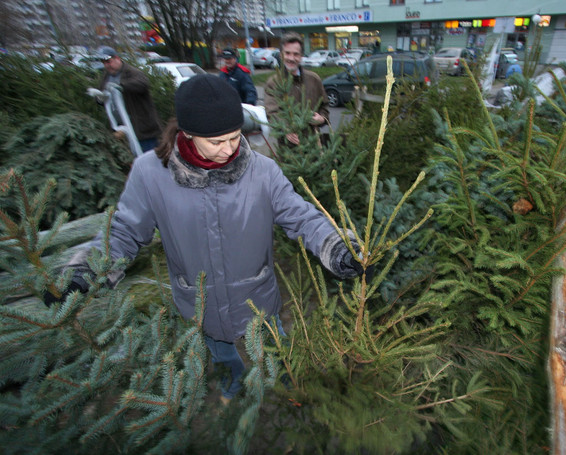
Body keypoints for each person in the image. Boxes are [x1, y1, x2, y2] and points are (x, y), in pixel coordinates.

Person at [45, 74, 365, 404]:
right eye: (216, 142)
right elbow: (125, 229)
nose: (229, 149)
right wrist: (84, 270)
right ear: (187, 133)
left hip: (257, 298)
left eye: (235, 137)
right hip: (199, 304)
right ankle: (232, 388)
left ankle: (287, 383)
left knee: (277, 350)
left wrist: (337, 247)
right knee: (222, 355)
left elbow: (301, 216)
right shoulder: (150, 173)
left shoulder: (262, 171)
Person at [264, 32, 329, 146]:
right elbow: (272, 113)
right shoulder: (273, 83)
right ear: (281, 55)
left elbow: (324, 107)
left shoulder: (314, 79)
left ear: (301, 56)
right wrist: (286, 128)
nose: (291, 58)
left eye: (296, 54)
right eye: (287, 53)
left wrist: (322, 119)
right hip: (288, 149)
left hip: (314, 145)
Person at [97, 46, 162, 152]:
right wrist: (100, 98)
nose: (107, 65)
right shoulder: (107, 77)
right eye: (104, 62)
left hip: (142, 130)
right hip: (123, 130)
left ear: (117, 58)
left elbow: (143, 84)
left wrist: (120, 86)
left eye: (109, 61)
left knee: (149, 160)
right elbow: (102, 94)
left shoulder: (132, 72)